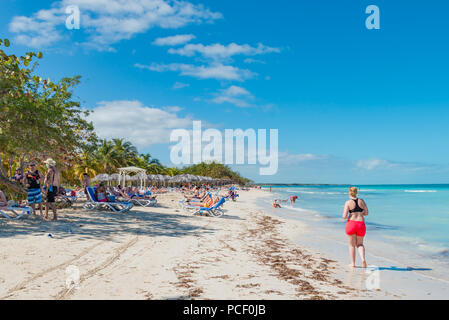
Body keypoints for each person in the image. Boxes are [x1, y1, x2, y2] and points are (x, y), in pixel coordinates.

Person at [342, 187, 369, 268]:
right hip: (361, 224)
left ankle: (353, 264)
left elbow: (344, 216)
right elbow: (366, 213)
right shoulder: (362, 201)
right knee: (360, 244)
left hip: (351, 224)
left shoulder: (348, 202)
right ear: (356, 192)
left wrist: (352, 214)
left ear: (349, 193)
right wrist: (360, 214)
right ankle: (363, 259)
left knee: (352, 245)